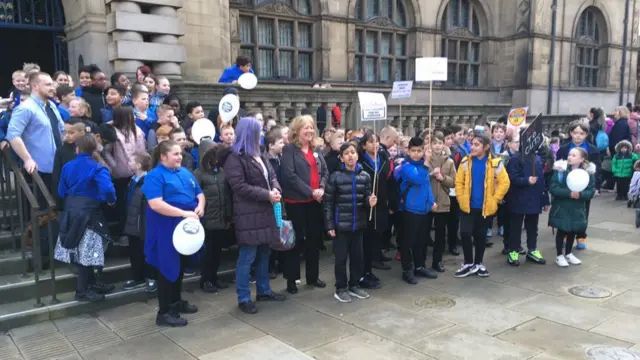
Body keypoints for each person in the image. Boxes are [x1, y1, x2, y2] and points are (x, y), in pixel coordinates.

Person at [221, 117, 286, 314]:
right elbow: (239, 187)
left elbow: (272, 175)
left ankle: (264, 290)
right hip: (248, 214)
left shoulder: (259, 154)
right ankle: (243, 297)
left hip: (265, 211)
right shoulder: (235, 158)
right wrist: (267, 194)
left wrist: (275, 188)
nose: (262, 134)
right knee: (247, 256)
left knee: (264, 252)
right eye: (258, 131)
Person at [142, 140, 204, 327]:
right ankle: (164, 311)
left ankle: (176, 303)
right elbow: (156, 204)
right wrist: (184, 213)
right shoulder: (154, 176)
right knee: (167, 268)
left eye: (180, 154)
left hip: (186, 228)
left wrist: (200, 207)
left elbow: (199, 193)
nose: (180, 157)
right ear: (163, 156)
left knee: (180, 266)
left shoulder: (185, 172)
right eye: (175, 154)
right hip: (165, 227)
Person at [53, 135, 116, 302]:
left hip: (71, 210)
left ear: (77, 149)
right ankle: (81, 291)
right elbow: (108, 190)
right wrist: (109, 201)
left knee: (81, 249)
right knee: (87, 250)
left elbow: (61, 191)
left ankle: (92, 284)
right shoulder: (98, 167)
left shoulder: (67, 166)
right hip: (89, 212)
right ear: (94, 150)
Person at [280, 115, 329, 294]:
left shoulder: (316, 150)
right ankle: (291, 279)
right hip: (297, 203)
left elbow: (325, 172)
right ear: (296, 131)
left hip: (315, 202)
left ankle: (312, 276)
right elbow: (289, 176)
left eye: (311, 127)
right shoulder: (289, 150)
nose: (309, 131)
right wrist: (311, 191)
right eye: (305, 128)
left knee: (314, 240)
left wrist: (322, 188)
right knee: (295, 241)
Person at [324, 142, 376, 303]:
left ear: (357, 155)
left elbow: (366, 200)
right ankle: (341, 287)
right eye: (346, 153)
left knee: (357, 257)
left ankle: (354, 284)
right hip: (341, 225)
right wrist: (330, 225)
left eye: (353, 152)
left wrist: (370, 201)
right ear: (341, 157)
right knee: (341, 259)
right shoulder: (335, 177)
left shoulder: (365, 176)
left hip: (358, 224)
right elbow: (327, 203)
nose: (350, 156)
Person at [454, 133, 510, 278]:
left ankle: (478, 263)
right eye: (472, 144)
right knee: (465, 233)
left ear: (485, 147)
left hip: (485, 207)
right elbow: (459, 182)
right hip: (467, 205)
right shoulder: (466, 162)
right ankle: (468, 262)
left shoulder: (495, 163)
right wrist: (460, 198)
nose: (472, 147)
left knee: (480, 235)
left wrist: (495, 199)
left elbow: (505, 183)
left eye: (476, 144)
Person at [395, 137, 437, 284]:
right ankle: (407, 269)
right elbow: (418, 179)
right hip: (410, 209)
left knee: (422, 240)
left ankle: (420, 266)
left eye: (420, 151)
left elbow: (426, 184)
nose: (417, 154)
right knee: (409, 241)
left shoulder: (423, 166)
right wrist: (426, 163)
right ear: (408, 151)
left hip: (424, 209)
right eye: (414, 151)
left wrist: (432, 200)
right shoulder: (405, 166)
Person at [555, 121, 600, 249]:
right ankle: (564, 232)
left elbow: (598, 169)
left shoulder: (593, 150)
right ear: (570, 133)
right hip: (566, 185)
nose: (578, 136)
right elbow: (558, 165)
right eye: (575, 133)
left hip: (585, 186)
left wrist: (596, 186)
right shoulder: (563, 149)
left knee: (583, 211)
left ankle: (581, 235)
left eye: (581, 133)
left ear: (586, 134)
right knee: (566, 209)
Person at [194, 140, 232, 293]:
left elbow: (227, 195)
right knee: (208, 253)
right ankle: (206, 279)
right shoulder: (198, 174)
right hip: (208, 219)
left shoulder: (222, 172)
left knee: (217, 252)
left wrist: (229, 216)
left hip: (221, 218)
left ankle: (214, 277)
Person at [505, 138, 549, 266]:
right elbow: (512, 178)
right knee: (515, 227)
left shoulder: (537, 159)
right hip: (518, 198)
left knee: (532, 226)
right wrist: (526, 180)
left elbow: (542, 180)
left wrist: (545, 199)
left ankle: (532, 249)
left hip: (534, 198)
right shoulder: (515, 159)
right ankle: (513, 250)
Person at [549, 148, 596, 267]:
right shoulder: (561, 170)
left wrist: (580, 194)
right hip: (562, 206)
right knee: (562, 230)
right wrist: (568, 193)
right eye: (569, 154)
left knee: (573, 230)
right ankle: (559, 255)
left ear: (581, 159)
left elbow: (590, 190)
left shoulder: (587, 173)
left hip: (577, 207)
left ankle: (569, 253)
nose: (570, 157)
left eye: (574, 155)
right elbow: (553, 188)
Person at [358, 131, 393, 288]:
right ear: (364, 145)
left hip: (382, 201)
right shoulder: (361, 162)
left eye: (377, 141)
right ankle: (365, 270)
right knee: (367, 238)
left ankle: (374, 260)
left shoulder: (383, 159)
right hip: (367, 204)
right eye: (371, 142)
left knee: (379, 231)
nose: (375, 145)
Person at [122, 151, 157, 293]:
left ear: (138, 165)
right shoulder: (132, 180)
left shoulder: (148, 181)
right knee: (135, 252)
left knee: (147, 252)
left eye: (130, 161)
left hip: (144, 224)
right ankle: (138, 277)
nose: (128, 163)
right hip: (133, 223)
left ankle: (152, 277)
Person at [425, 134, 456, 273]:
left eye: (439, 143)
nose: (437, 145)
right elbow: (420, 178)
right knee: (424, 233)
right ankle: (420, 260)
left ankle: (437, 260)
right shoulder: (426, 160)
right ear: (430, 145)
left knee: (440, 234)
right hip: (427, 201)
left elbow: (453, 182)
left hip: (443, 201)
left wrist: (442, 178)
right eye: (434, 143)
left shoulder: (449, 162)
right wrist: (431, 174)